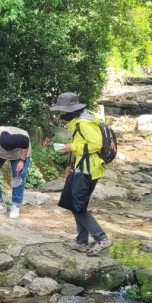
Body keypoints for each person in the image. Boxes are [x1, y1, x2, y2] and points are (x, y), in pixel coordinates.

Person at [50, 92, 112, 257]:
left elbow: (96, 145)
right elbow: (82, 144)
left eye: (63, 111)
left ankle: (101, 237)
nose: (61, 114)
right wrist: (71, 165)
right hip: (81, 167)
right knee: (73, 203)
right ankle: (82, 242)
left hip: (89, 170)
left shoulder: (84, 123)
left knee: (78, 207)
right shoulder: (82, 119)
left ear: (72, 110)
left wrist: (72, 147)